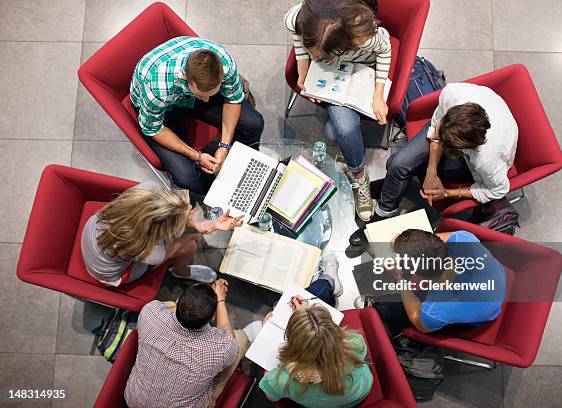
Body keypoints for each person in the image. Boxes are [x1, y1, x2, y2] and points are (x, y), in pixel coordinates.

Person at [350, 82, 518, 246]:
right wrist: (432, 172)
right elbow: (434, 132)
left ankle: (388, 198)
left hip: (479, 156)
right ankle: (386, 206)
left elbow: (498, 190)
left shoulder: (485, 159)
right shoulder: (452, 94)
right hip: (457, 130)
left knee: (408, 169)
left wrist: (448, 193)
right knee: (397, 164)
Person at [284, 0, 392, 221]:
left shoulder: (364, 36)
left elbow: (385, 49)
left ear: (342, 46)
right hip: (332, 75)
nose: (314, 58)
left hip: (361, 67)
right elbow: (297, 38)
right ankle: (353, 155)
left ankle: (360, 177)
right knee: (339, 132)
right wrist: (304, 71)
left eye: (320, 56)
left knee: (340, 130)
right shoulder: (296, 19)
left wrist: (378, 95)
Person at [130, 36, 265, 204]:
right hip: (162, 108)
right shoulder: (156, 88)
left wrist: (224, 146)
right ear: (186, 76)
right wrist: (197, 156)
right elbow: (154, 129)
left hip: (187, 93)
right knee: (187, 178)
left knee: (254, 123)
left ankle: (246, 164)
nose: (207, 101)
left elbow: (232, 99)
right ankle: (213, 191)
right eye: (202, 95)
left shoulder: (224, 62)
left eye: (212, 94)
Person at [125, 279, 260, 408]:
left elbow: (166, 308)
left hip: (134, 400)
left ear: (178, 301)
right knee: (239, 342)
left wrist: (188, 307)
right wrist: (220, 300)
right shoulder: (218, 351)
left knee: (166, 304)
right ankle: (248, 336)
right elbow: (230, 342)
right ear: (211, 318)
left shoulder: (150, 311)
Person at [80, 181, 243, 286]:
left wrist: (199, 225)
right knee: (189, 245)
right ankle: (181, 271)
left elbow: (171, 212)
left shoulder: (149, 188)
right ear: (163, 231)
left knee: (186, 236)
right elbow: (165, 252)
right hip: (111, 274)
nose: (190, 209)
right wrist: (193, 234)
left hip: (94, 231)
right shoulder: (148, 250)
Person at [371, 229, 506, 335]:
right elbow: (437, 242)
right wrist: (411, 245)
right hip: (497, 284)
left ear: (415, 274)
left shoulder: (435, 309)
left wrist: (398, 277)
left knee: (384, 307)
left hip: (483, 316)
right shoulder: (463, 238)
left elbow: (418, 322)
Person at [259, 302, 373, 407]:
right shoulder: (355, 342)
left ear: (294, 344)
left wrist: (265, 334)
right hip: (360, 391)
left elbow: (271, 397)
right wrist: (309, 317)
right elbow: (324, 336)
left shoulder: (282, 380)